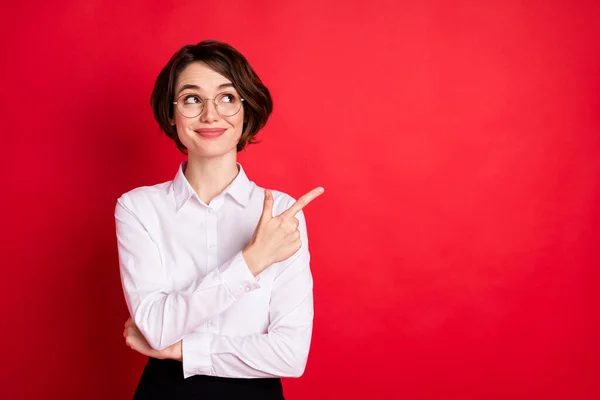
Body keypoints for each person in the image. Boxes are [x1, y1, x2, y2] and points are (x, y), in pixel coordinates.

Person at [115, 40, 324, 399]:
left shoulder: (280, 213)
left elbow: (290, 355)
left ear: (246, 110)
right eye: (192, 99)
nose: (211, 115)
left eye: (227, 97)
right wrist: (252, 261)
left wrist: (181, 350)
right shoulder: (138, 208)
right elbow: (155, 328)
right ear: (171, 113)